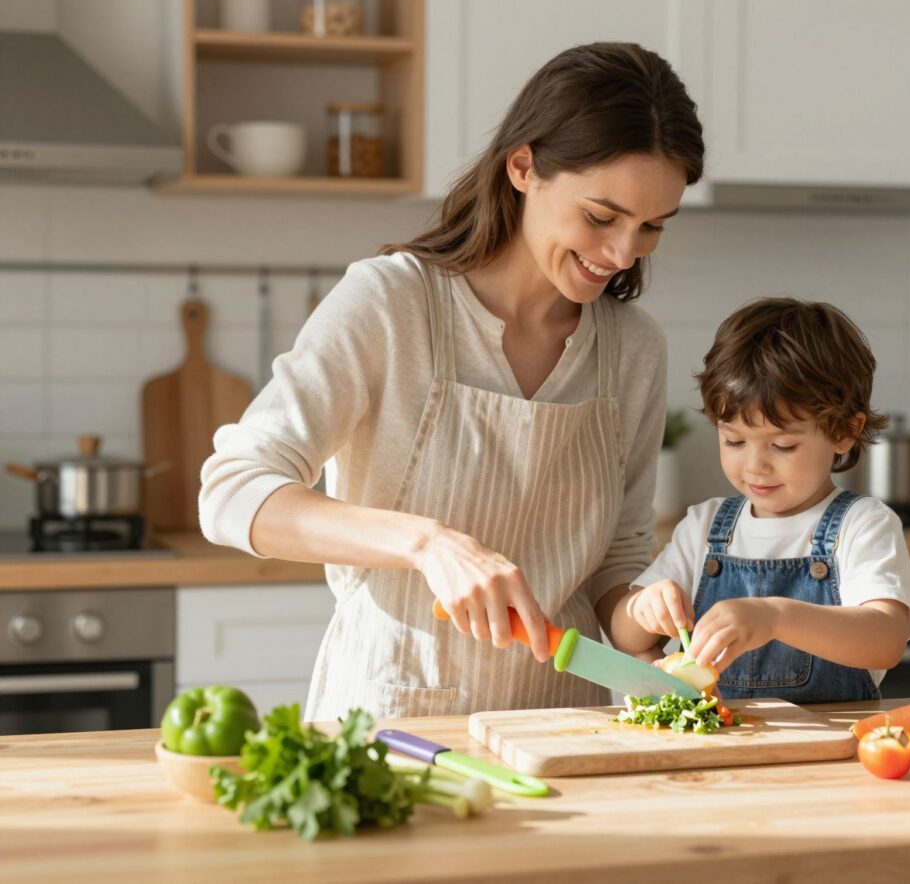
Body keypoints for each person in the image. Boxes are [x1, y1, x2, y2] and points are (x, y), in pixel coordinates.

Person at [198, 42, 705, 721]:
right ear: (523, 167)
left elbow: (617, 558)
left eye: (651, 228)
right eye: (601, 216)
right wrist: (427, 543)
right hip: (391, 723)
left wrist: (646, 616)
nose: (621, 254)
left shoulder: (633, 348)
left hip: (564, 727)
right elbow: (232, 491)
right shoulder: (392, 304)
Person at [606, 298, 910, 703]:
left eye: (783, 445)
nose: (756, 466)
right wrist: (641, 608)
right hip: (721, 752)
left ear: (844, 431)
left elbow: (885, 638)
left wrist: (775, 617)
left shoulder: (862, 524)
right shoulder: (705, 527)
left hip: (829, 752)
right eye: (734, 440)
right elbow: (624, 635)